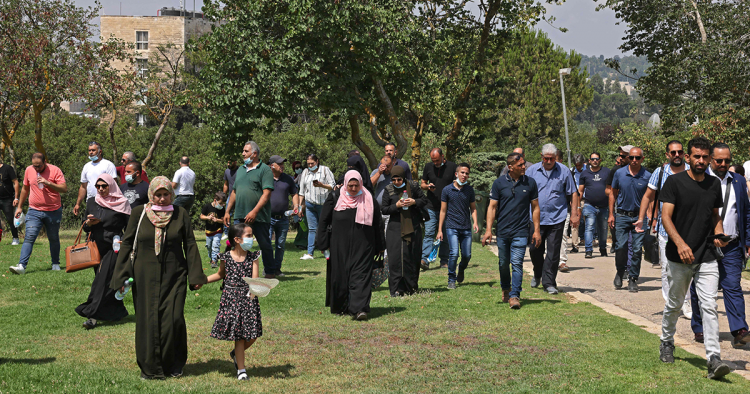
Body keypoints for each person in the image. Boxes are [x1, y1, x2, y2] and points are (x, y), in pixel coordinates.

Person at [110, 177, 208, 380]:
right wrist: (121, 276)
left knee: (173, 318)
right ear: (151, 194)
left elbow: (189, 244)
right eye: (158, 194)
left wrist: (195, 275)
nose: (162, 199)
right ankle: (150, 368)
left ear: (172, 195)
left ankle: (173, 364)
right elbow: (127, 244)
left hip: (175, 274)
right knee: (148, 319)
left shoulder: (180, 214)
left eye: (166, 194)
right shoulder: (139, 213)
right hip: (144, 274)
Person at [657, 137, 731, 380]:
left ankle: (713, 358)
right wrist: (680, 244)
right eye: (696, 156)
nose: (701, 160)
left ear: (709, 158)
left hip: (706, 255)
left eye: (705, 156)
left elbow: (714, 216)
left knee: (709, 305)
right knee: (675, 304)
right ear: (687, 158)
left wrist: (719, 233)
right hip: (679, 257)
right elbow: (666, 217)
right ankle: (667, 341)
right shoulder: (674, 182)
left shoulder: (713, 185)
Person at [688, 143, 750, 348]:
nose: (723, 164)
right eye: (719, 161)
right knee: (701, 288)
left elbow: (746, 213)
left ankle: (740, 330)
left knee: (733, 286)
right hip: (704, 245)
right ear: (710, 160)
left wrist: (747, 240)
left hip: (731, 244)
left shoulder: (739, 181)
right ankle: (700, 328)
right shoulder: (700, 180)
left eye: (727, 161)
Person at [317, 170, 385, 320]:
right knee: (340, 275)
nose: (354, 189)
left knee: (361, 275)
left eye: (356, 186)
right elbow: (323, 221)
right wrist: (323, 244)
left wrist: (380, 244)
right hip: (339, 245)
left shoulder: (368, 198)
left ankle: (359, 309)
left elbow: (377, 223)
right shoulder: (335, 197)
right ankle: (342, 306)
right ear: (346, 184)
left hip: (364, 245)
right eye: (351, 185)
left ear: (361, 184)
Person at [635, 141, 691, 315]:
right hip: (665, 231)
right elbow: (647, 196)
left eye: (679, 152)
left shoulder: (693, 171)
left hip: (689, 229)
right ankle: (671, 302)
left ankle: (687, 302)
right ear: (667, 155)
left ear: (684, 154)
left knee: (689, 268)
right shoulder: (660, 173)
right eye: (673, 153)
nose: (676, 155)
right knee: (668, 269)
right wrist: (641, 218)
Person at [482, 153, 541, 309]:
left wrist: (536, 230)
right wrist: (488, 230)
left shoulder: (530, 183)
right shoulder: (499, 183)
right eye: (520, 165)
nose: (524, 167)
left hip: (521, 231)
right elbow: (492, 207)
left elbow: (535, 208)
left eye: (524, 164)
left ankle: (515, 295)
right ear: (510, 167)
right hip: (502, 231)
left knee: (516, 263)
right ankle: (505, 288)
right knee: (503, 263)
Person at [205, 223, 263, 381]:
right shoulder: (226, 257)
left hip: (248, 299)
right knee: (240, 335)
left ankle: (237, 354)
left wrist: (256, 289)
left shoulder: (254, 257)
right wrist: (203, 280)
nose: (252, 239)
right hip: (231, 299)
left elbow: (255, 279)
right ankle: (241, 370)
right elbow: (219, 275)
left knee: (253, 334)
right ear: (237, 239)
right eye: (249, 236)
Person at [75, 174, 131, 329]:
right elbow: (84, 226)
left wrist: (125, 242)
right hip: (95, 246)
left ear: (111, 185)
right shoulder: (92, 202)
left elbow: (129, 228)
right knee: (106, 281)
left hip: (114, 247)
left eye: (104, 186)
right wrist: (89, 223)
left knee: (101, 281)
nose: (100, 189)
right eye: (98, 186)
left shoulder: (122, 203)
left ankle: (91, 314)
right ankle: (116, 313)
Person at [526, 144, 579, 294]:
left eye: (552, 158)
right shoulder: (532, 171)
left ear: (556, 158)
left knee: (553, 251)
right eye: (546, 158)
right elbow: (525, 193)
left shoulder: (564, 171)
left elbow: (573, 193)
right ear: (541, 157)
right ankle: (538, 272)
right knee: (535, 249)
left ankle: (549, 283)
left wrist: (574, 213)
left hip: (557, 217)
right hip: (535, 218)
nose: (549, 161)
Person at [223, 142, 276, 278]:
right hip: (240, 215)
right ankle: (235, 270)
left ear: (254, 154)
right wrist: (227, 211)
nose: (243, 154)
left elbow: (267, 193)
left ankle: (270, 272)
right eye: (243, 151)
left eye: (246, 151)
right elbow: (234, 192)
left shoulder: (265, 170)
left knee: (264, 244)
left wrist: (254, 211)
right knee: (236, 243)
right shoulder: (240, 169)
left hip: (259, 216)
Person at [9, 153, 68, 274]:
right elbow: (25, 188)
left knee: (53, 238)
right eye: (34, 165)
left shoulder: (55, 170)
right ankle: (21, 266)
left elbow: (64, 188)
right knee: (29, 237)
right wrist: (20, 207)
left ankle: (55, 263)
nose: (36, 168)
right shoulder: (29, 170)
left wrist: (48, 183)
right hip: (34, 210)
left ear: (45, 162)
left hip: (53, 211)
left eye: (39, 166)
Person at [609, 147, 651, 292]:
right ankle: (620, 272)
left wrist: (651, 216)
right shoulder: (619, 173)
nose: (634, 160)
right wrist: (611, 214)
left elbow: (651, 198)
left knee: (637, 249)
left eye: (637, 158)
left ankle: (633, 278)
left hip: (639, 217)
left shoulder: (647, 175)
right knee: (621, 246)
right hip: (621, 216)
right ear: (627, 158)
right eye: (631, 157)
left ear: (642, 159)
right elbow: (612, 194)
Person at [381, 165, 427, 297]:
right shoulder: (388, 190)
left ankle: (410, 287)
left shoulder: (412, 186)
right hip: (395, 227)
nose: (396, 183)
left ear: (403, 178)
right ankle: (396, 289)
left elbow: (424, 200)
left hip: (413, 226)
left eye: (399, 180)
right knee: (395, 259)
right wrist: (396, 206)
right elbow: (384, 209)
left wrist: (413, 202)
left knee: (411, 257)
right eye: (394, 180)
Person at [436, 163, 479, 289]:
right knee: (454, 253)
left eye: (467, 173)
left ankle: (461, 269)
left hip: (465, 227)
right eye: (462, 173)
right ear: (456, 174)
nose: (464, 175)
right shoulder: (447, 190)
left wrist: (475, 222)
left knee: (467, 255)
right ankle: (451, 279)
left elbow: (473, 209)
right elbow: (443, 211)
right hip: (451, 226)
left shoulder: (469, 190)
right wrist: (439, 230)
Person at [420, 148, 458, 270]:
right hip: (431, 205)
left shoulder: (452, 167)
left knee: (446, 234)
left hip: (448, 207)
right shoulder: (428, 167)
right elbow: (422, 184)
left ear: (442, 156)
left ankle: (444, 260)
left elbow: (457, 184)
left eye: (437, 160)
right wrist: (427, 186)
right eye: (433, 160)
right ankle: (424, 260)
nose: (435, 163)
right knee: (429, 233)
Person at [297, 153, 335, 260]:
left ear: (317, 161)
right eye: (308, 163)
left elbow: (333, 186)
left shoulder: (325, 170)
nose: (310, 165)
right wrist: (300, 207)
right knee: (312, 229)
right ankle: (310, 253)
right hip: (309, 204)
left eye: (312, 163)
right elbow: (301, 191)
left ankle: (326, 249)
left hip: (323, 205)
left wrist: (321, 185)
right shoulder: (305, 172)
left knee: (325, 228)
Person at [267, 155, 299, 276]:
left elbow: (294, 194)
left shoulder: (288, 179)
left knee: (280, 245)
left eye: (283, 164)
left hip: (283, 218)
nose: (282, 166)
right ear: (271, 165)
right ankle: (268, 268)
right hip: (267, 218)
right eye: (279, 164)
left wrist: (295, 206)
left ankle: (277, 269)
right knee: (267, 245)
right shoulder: (265, 178)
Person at [578, 152, 611, 258]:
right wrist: (578, 206)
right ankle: (588, 250)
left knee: (603, 228)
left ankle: (603, 248)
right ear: (589, 161)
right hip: (589, 205)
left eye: (597, 159)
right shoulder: (584, 173)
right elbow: (580, 191)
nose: (595, 161)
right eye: (592, 159)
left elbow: (611, 188)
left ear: (600, 160)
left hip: (604, 206)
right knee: (589, 227)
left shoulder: (606, 171)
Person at [73, 141, 117, 216]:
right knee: (91, 224)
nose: (91, 152)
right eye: (89, 150)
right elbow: (83, 187)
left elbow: (113, 185)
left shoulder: (108, 165)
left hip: (105, 201)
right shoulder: (87, 166)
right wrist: (78, 204)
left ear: (100, 152)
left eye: (93, 150)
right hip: (91, 201)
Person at [607, 145, 633, 255]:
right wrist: (611, 214)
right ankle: (621, 269)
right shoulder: (616, 171)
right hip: (620, 211)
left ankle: (629, 269)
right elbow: (609, 191)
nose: (620, 158)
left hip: (637, 213)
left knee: (633, 245)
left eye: (623, 156)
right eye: (620, 155)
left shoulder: (643, 173)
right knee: (621, 244)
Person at [200, 192, 227, 269]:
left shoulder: (222, 209)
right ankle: (212, 257)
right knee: (209, 246)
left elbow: (223, 220)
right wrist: (207, 218)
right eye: (220, 203)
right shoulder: (207, 206)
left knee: (215, 245)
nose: (221, 205)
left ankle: (214, 261)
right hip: (209, 231)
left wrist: (217, 220)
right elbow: (201, 216)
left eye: (223, 204)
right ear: (215, 200)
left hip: (218, 231)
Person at [569, 153, 587, 253]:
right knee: (575, 222)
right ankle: (575, 245)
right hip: (576, 199)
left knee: (588, 222)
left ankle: (589, 243)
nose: (578, 167)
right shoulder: (571, 171)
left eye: (579, 165)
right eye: (576, 165)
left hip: (588, 199)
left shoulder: (588, 170)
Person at [0, 158, 20, 245]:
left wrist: (16, 198)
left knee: (10, 219)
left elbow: (16, 182)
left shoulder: (7, 168)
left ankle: (15, 238)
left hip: (7, 199)